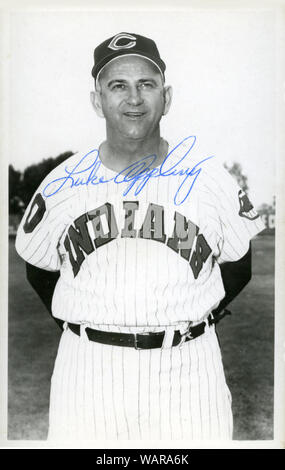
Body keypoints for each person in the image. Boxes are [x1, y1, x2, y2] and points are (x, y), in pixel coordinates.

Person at [15, 32, 265, 441]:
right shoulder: (62, 183)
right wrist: (87, 322)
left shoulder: (209, 178)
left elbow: (240, 264)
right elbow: (37, 267)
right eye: (118, 86)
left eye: (146, 85)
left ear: (167, 96)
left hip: (189, 370)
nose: (134, 98)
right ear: (97, 101)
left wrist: (189, 317)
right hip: (88, 372)